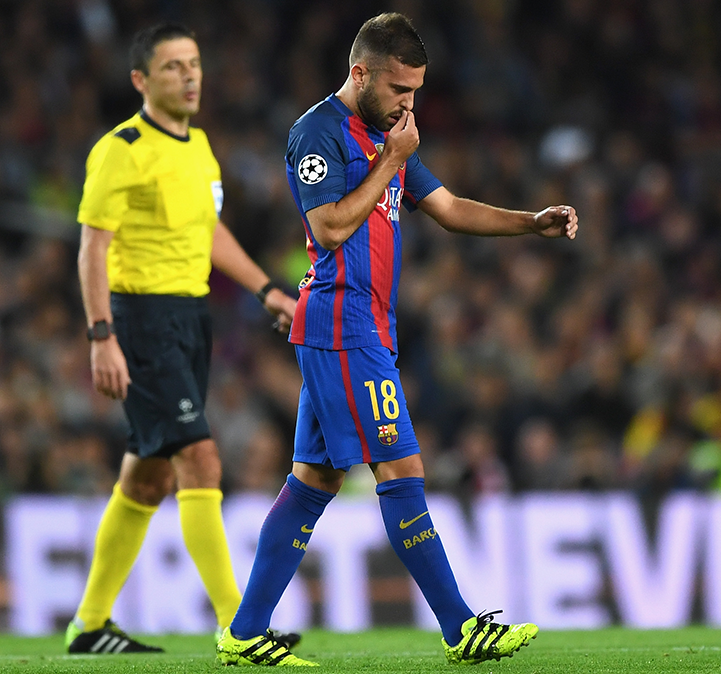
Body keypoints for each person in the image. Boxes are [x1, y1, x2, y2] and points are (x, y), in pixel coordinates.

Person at [216, 13, 578, 667]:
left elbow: (446, 208)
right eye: (399, 91)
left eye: (416, 92)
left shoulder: (387, 136)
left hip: (365, 329)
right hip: (341, 327)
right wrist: (389, 164)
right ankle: (460, 628)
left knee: (311, 482)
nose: (409, 105)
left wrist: (531, 223)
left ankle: (243, 632)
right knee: (402, 470)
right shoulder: (319, 132)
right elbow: (328, 228)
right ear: (361, 74)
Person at [68, 23, 298, 654]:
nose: (190, 76)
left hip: (191, 317)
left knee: (147, 477)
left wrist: (264, 289)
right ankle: (238, 627)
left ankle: (89, 626)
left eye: (194, 64)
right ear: (141, 80)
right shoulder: (122, 148)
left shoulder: (198, 146)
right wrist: (101, 336)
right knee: (200, 456)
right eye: (173, 67)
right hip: (139, 318)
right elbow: (93, 245)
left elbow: (209, 233)